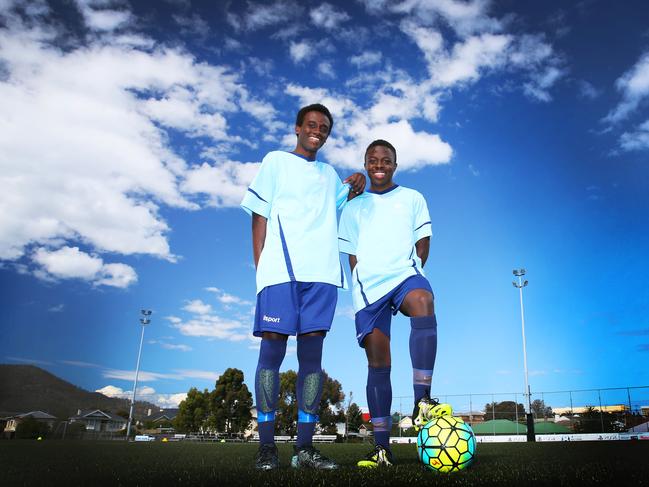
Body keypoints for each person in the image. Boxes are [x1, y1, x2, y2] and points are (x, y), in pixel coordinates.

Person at [241, 104, 366, 470]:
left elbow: (341, 200)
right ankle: (266, 448)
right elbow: (259, 216)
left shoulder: (329, 175)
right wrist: (262, 268)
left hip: (322, 277)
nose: (318, 131)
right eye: (311, 125)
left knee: (312, 360)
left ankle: (304, 450)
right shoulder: (275, 161)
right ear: (298, 128)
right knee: (272, 354)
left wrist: (356, 180)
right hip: (280, 274)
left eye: (324, 127)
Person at [337, 139, 452, 468]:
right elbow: (352, 254)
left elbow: (423, 243)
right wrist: (361, 289)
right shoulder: (353, 206)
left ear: (395, 165)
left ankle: (422, 401)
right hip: (368, 288)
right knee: (378, 364)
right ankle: (381, 449)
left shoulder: (412, 198)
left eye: (386, 160)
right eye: (373, 160)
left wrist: (411, 272)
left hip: (404, 275)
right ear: (365, 162)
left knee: (424, 300)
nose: (379, 164)